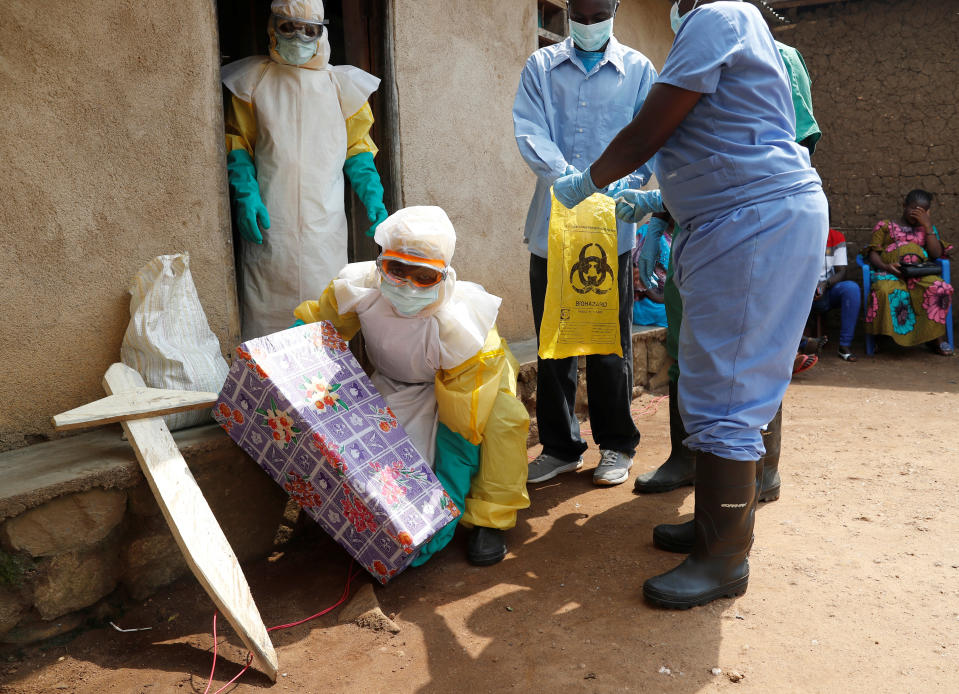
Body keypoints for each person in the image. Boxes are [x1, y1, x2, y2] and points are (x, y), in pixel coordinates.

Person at [552, 0, 828, 608]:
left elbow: (650, 130)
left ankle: (724, 558)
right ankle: (712, 527)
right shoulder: (729, 24)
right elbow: (706, 136)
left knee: (728, 388)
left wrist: (588, 180)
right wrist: (655, 199)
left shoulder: (719, 18)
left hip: (753, 223)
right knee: (707, 379)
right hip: (737, 220)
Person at [633, 24, 822, 499]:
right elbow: (679, 146)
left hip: (750, 232)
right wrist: (661, 211)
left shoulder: (780, 58)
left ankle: (759, 475)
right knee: (690, 352)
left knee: (751, 360)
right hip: (693, 232)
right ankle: (689, 461)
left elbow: (785, 151)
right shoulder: (689, 52)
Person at [293, 206, 530, 566]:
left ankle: (488, 519)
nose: (406, 285)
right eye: (396, 269)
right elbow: (318, 331)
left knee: (500, 423)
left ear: (444, 276)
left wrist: (443, 508)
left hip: (465, 391)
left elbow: (460, 429)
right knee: (383, 473)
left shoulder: (462, 330)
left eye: (424, 277)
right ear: (380, 262)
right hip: (391, 385)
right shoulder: (359, 289)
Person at [512, 0, 658, 487]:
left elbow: (647, 138)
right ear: (569, 9)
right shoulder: (541, 67)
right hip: (551, 228)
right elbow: (531, 131)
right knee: (553, 342)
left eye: (600, 15)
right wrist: (576, 181)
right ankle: (560, 447)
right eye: (582, 13)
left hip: (610, 230)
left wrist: (617, 183)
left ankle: (616, 444)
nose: (590, 23)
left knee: (608, 344)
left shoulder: (638, 71)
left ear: (615, 8)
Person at [223, 0, 389, 339]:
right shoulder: (254, 81)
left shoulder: (341, 86)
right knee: (268, 321)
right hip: (271, 222)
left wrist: (372, 196)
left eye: (308, 30)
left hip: (323, 225)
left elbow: (357, 148)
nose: (299, 37)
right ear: (273, 28)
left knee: (324, 314)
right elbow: (238, 142)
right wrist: (246, 194)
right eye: (289, 27)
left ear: (322, 33)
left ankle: (323, 390)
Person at [864, 189, 953, 355]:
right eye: (913, 209)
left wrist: (927, 226)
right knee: (884, 290)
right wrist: (885, 266)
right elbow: (873, 252)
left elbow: (935, 254)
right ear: (904, 205)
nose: (916, 215)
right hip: (891, 273)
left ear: (927, 212)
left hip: (920, 274)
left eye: (922, 212)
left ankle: (936, 339)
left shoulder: (928, 228)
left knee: (941, 289)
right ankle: (879, 338)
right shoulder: (885, 226)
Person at [810, 227, 861, 361]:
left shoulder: (835, 237)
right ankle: (799, 346)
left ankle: (844, 346)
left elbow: (841, 271)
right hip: (801, 292)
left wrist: (825, 284)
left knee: (851, 288)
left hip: (827, 289)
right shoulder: (797, 233)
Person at [632, 214, 671, 328]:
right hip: (646, 305)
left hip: (668, 302)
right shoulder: (646, 233)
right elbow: (627, 272)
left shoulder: (684, 235)